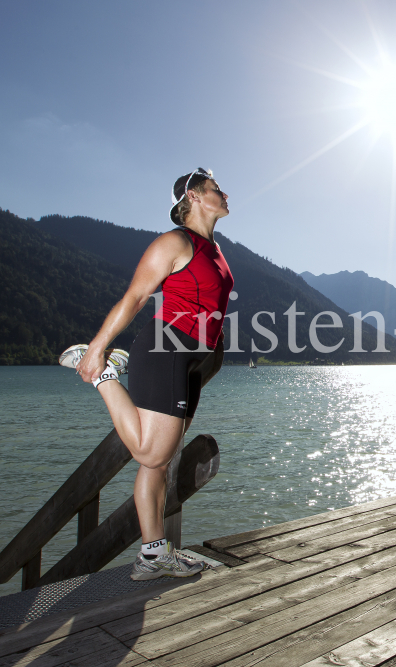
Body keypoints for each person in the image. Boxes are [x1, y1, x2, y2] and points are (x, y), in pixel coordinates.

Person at [60, 168, 234, 580]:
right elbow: (135, 297)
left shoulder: (214, 248)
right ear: (193, 196)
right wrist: (99, 348)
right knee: (150, 452)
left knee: (160, 460)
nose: (225, 193)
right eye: (216, 189)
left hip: (194, 360)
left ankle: (154, 554)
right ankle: (107, 376)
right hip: (165, 349)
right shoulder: (174, 243)